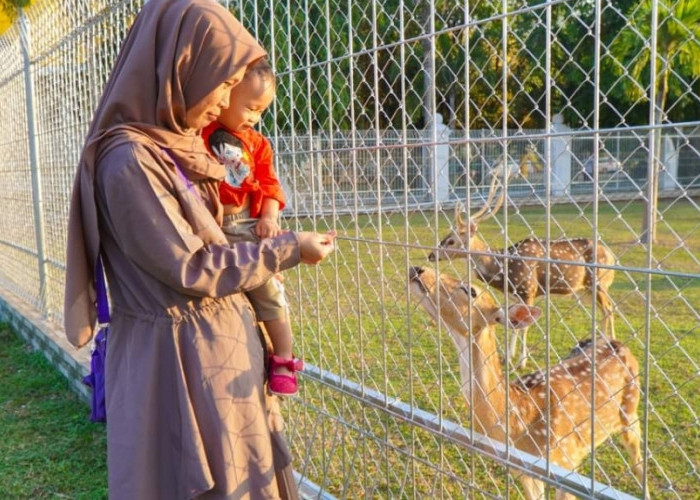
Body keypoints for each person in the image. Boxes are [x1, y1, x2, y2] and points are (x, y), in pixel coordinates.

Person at [63, 0, 335, 498]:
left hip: (214, 364)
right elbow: (191, 267)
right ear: (181, 63)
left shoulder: (173, 145)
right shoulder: (130, 161)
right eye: (224, 82)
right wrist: (287, 249)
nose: (228, 101)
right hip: (182, 373)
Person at [202, 59, 299, 396]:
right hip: (209, 226)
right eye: (250, 106)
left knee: (269, 291)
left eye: (262, 110)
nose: (255, 117)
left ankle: (284, 359)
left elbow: (271, 187)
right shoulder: (198, 134)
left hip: (246, 225)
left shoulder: (258, 145)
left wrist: (269, 217)